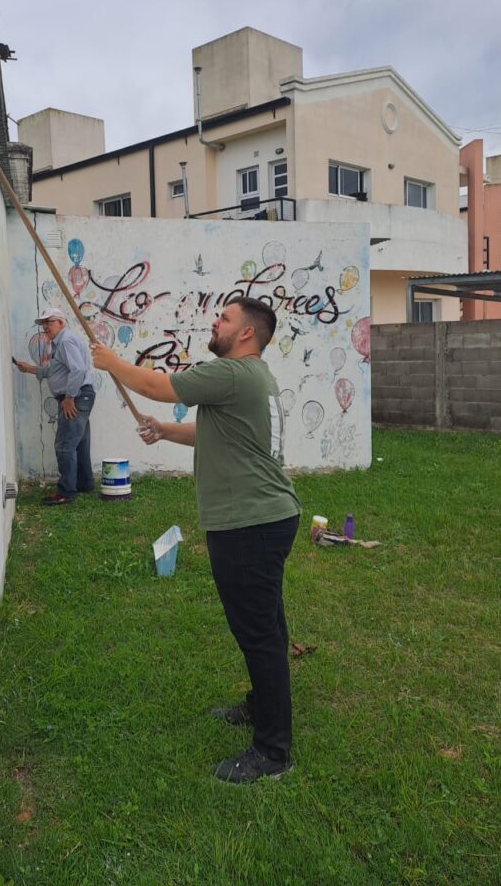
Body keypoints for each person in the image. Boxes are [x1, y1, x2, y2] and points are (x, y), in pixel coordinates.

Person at [91, 298, 301, 784]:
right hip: (266, 519)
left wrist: (111, 362)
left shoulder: (229, 374)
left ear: (247, 333)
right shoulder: (253, 379)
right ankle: (261, 705)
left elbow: (156, 385)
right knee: (265, 624)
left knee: (258, 632)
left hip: (248, 524)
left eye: (225, 318)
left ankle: (273, 751)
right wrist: (165, 432)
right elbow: (218, 432)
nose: (215, 322)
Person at [15, 307, 95, 506]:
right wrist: (31, 369)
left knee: (65, 446)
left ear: (61, 322)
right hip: (82, 396)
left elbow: (78, 371)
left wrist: (69, 397)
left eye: (49, 322)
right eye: (43, 324)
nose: (45, 327)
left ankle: (66, 492)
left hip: (76, 397)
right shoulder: (61, 343)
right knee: (80, 443)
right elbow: (54, 370)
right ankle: (84, 484)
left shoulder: (65, 341)